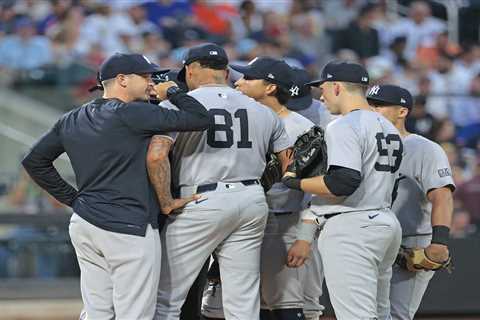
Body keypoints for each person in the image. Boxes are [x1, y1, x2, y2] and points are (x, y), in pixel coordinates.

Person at [21, 53, 211, 320]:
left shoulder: (72, 118)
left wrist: (74, 200)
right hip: (128, 226)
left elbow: (34, 161)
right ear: (122, 79)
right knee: (135, 314)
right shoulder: (134, 113)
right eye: (145, 76)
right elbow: (201, 119)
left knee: (98, 312)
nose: (151, 82)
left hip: (86, 223)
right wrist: (175, 92)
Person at [153, 43, 291, 320]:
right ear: (226, 72)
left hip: (199, 200)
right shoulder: (262, 111)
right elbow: (288, 163)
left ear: (190, 70)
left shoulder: (175, 106)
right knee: (242, 302)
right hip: (251, 199)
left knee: (165, 298)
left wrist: (166, 201)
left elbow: (156, 157)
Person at [282, 61, 403, 319]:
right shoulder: (388, 127)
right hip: (385, 222)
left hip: (352, 226)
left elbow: (343, 182)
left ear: (336, 87)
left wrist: (293, 181)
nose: (320, 95)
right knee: (381, 314)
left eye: (323, 87)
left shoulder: (344, 125)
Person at [367, 84, 455, 320]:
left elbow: (442, 196)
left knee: (395, 315)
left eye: (380, 105)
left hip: (410, 243)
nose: (373, 109)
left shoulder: (424, 148)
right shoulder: (364, 145)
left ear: (402, 111)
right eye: (370, 104)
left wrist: (439, 242)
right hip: (371, 239)